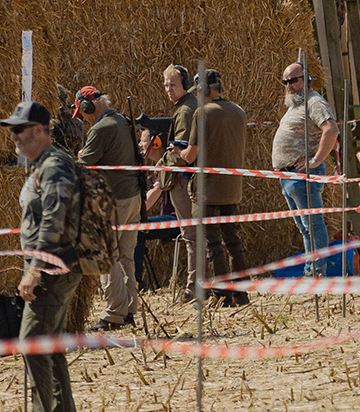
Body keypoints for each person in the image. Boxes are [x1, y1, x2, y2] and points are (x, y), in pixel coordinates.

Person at [3, 101, 81, 412]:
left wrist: (34, 268)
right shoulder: (42, 166)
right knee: (48, 343)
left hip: (53, 268)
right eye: (12, 130)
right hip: (54, 265)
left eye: (19, 129)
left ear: (40, 130)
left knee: (31, 340)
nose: (14, 136)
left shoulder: (54, 165)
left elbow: (54, 217)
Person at [74, 87, 143, 329]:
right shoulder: (123, 121)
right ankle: (128, 309)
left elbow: (83, 164)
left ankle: (114, 312)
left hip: (115, 201)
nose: (83, 118)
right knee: (126, 256)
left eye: (82, 113)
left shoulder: (101, 128)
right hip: (133, 199)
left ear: (87, 106)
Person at [188, 70, 250, 306]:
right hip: (231, 189)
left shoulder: (202, 114)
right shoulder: (239, 112)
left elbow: (191, 155)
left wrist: (178, 151)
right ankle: (241, 293)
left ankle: (222, 295)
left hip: (208, 191)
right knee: (234, 243)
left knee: (213, 245)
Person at [144, 65, 202, 301]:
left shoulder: (186, 111)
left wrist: (163, 163)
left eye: (173, 85)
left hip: (182, 180)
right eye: (166, 85)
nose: (168, 89)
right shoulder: (185, 107)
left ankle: (194, 286)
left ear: (185, 85)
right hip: (182, 179)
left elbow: (184, 151)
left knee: (191, 235)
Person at [274, 62, 340, 266]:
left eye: (293, 80)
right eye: (286, 81)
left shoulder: (314, 102)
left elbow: (331, 130)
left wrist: (315, 160)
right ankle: (313, 269)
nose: (289, 86)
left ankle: (317, 271)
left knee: (313, 226)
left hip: (303, 175)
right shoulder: (298, 105)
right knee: (305, 228)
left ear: (307, 80)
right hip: (290, 176)